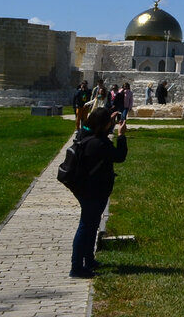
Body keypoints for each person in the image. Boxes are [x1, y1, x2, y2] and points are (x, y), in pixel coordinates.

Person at [69, 106, 128, 278]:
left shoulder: (87, 135)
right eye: (108, 122)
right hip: (93, 191)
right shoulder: (98, 144)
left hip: (87, 188)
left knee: (92, 225)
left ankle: (88, 260)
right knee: (86, 226)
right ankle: (76, 267)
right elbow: (119, 156)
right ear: (102, 125)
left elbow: (100, 134)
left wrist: (108, 121)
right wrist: (121, 135)